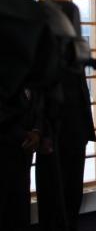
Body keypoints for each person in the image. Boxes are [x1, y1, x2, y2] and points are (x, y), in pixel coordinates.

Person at [35, 0, 96, 231]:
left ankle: (71, 224)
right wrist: (41, 130)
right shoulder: (40, 46)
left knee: (73, 185)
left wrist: (86, 129)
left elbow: (81, 91)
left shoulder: (75, 45)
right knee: (52, 186)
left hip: (76, 127)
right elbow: (37, 94)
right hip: (50, 128)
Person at [0, 88, 41, 231]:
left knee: (22, 199)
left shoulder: (31, 77)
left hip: (25, 150)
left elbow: (37, 107)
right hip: (6, 147)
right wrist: (25, 136)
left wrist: (36, 131)